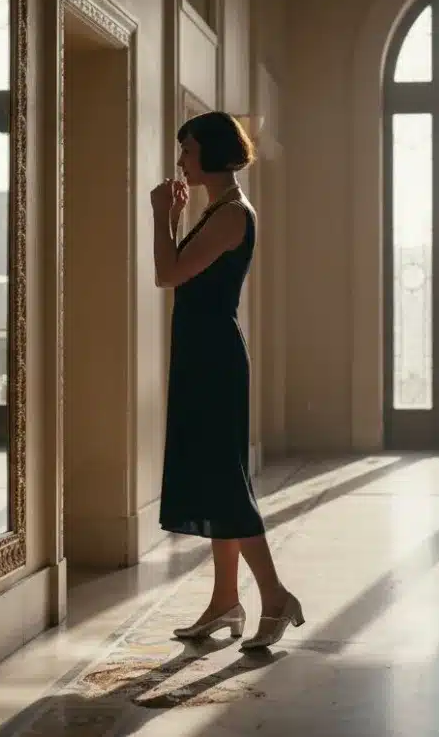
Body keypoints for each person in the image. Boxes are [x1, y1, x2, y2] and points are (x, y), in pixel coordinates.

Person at [150, 111, 303, 650]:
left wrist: (161, 217)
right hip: (202, 352)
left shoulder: (232, 214)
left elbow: (167, 273)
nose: (180, 160)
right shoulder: (217, 208)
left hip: (213, 356)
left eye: (187, 150)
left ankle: (275, 595)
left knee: (227, 483)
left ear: (211, 153)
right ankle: (225, 601)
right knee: (217, 482)